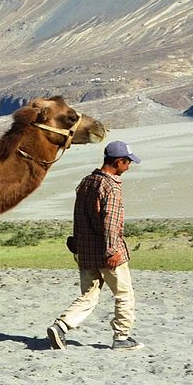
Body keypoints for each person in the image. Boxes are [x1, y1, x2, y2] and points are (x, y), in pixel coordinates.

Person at [46, 140, 143, 351]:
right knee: (124, 294)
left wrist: (77, 242)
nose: (129, 167)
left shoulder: (86, 182)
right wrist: (112, 250)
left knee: (89, 295)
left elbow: (78, 216)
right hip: (108, 253)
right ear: (119, 161)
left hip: (86, 251)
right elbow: (111, 222)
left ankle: (61, 326)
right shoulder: (111, 186)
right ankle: (122, 337)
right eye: (128, 162)